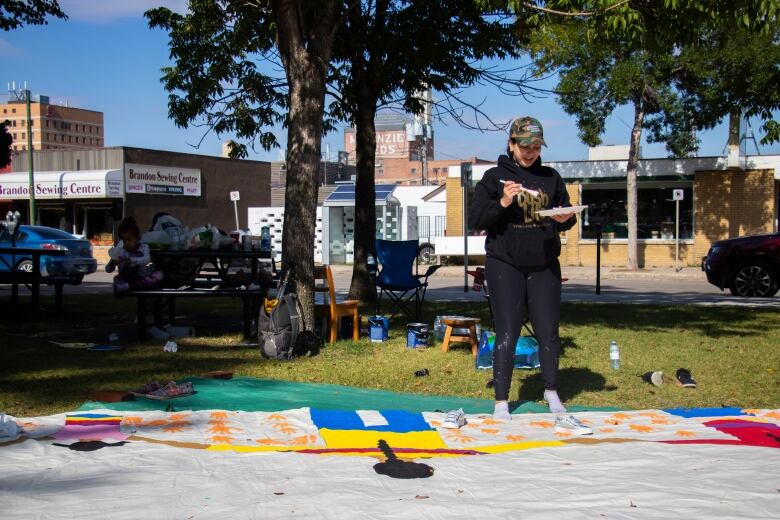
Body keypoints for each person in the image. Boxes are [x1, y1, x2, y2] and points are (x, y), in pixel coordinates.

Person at [468, 116, 591, 435]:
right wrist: (505, 201)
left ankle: (551, 391)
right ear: (511, 144)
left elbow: (563, 218)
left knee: (548, 331)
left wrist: (565, 218)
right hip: (504, 264)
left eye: (536, 147)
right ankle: (501, 401)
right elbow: (477, 218)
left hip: (544, 264)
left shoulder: (551, 178)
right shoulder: (494, 177)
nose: (531, 152)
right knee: (507, 331)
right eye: (525, 146)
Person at [106, 217, 163, 292]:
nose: (126, 243)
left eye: (129, 239)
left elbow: (147, 259)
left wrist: (131, 260)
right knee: (117, 279)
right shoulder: (121, 250)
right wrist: (112, 264)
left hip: (142, 277)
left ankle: (128, 287)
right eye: (123, 240)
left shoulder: (143, 247)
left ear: (137, 238)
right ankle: (126, 286)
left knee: (159, 275)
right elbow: (108, 269)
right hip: (126, 278)